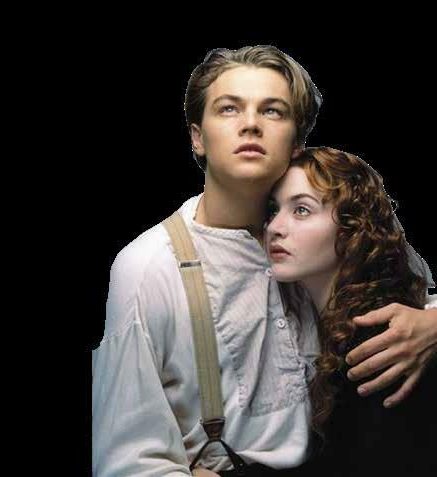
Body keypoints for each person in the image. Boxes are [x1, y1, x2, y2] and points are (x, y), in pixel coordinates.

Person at [92, 46, 436, 476]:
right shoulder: (148, 267)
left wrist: (434, 325)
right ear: (198, 137)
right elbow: (128, 462)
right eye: (229, 108)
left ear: (297, 142)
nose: (251, 123)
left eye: (272, 110)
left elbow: (405, 289)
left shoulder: (325, 235)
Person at [264, 146, 436, 476]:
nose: (275, 227)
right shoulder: (334, 323)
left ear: (351, 229)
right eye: (274, 210)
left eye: (301, 210)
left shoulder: (381, 337)